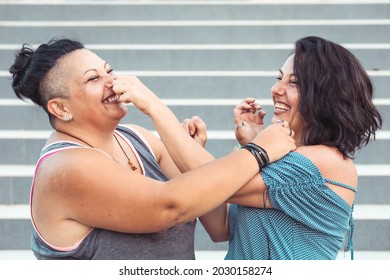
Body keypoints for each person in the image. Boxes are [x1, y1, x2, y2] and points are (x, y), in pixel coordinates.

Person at [9, 38, 295, 260]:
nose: (114, 83)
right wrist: (259, 151)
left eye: (109, 71)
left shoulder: (138, 138)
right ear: (61, 108)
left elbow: (219, 221)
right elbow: (169, 206)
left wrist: (193, 154)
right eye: (93, 79)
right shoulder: (65, 168)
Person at [121, 36, 382, 260]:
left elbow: (211, 182)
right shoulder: (292, 159)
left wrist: (153, 106)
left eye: (295, 82)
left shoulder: (325, 161)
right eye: (279, 78)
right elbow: (221, 227)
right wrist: (255, 147)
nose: (276, 89)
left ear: (325, 95)